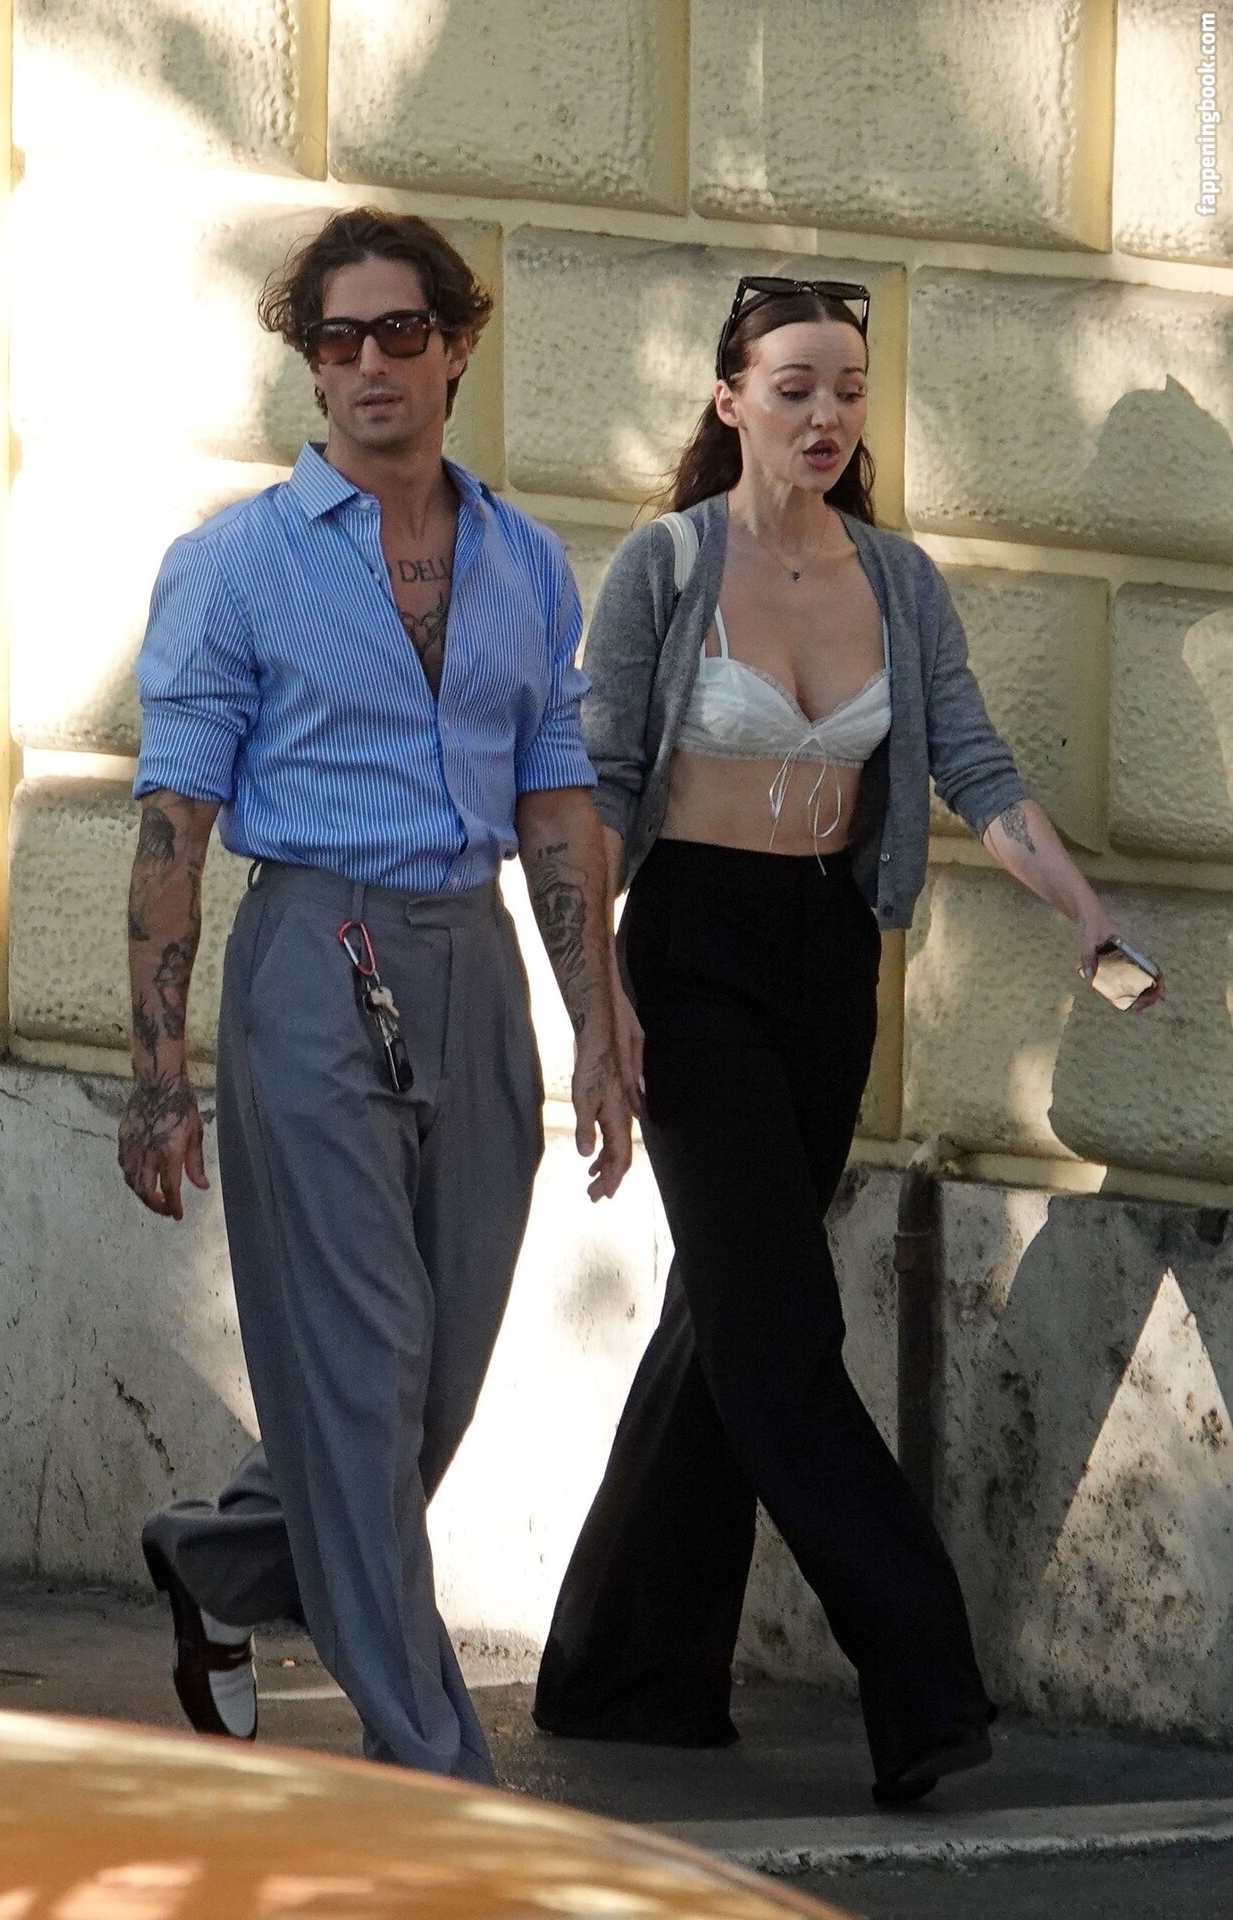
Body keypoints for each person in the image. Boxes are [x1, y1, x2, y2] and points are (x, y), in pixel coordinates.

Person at [532, 275, 1164, 1806]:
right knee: (780, 1325)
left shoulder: (897, 580)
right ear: (730, 399)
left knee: (729, 1313)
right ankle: (924, 1677)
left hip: (829, 965)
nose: (827, 415)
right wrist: (598, 1006)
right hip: (693, 955)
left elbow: (977, 771)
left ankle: (625, 1672)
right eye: (795, 386)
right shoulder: (668, 569)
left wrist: (1086, 917)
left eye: (851, 389)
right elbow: (597, 793)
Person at [117, 207, 633, 1784]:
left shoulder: (524, 561)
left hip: (473, 960)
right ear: (311, 365)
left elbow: (557, 803)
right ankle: (438, 1778)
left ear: (456, 345)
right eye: (335, 341)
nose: (367, 366)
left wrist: (599, 1022)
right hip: (311, 960)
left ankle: (223, 1563)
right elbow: (171, 828)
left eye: (399, 332)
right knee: (363, 1365)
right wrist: (157, 1072)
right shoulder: (233, 566)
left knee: (428, 1380)